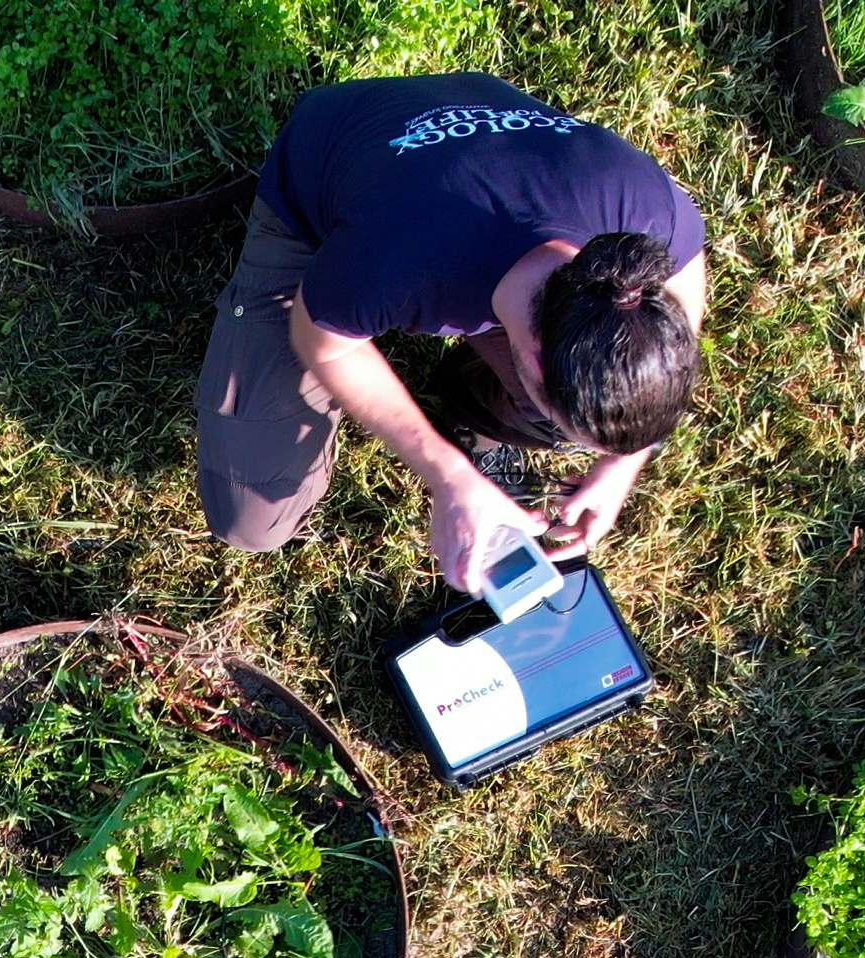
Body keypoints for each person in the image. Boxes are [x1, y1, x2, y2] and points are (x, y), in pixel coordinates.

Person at [194, 74, 711, 594]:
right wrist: (447, 475)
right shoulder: (396, 262)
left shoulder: (646, 213)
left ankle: (475, 404)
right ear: (529, 360)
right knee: (252, 515)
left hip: (468, 150)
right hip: (335, 181)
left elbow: (686, 277)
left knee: (584, 412)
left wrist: (623, 463)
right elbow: (320, 342)